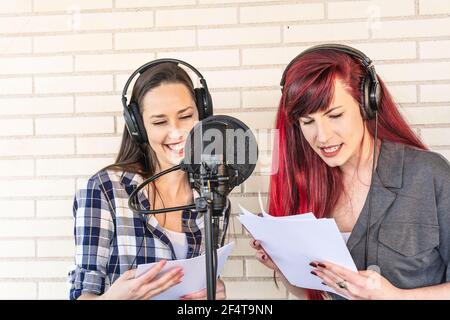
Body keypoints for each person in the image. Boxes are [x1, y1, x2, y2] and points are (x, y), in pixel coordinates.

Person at [250, 44, 450, 300]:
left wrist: (397, 297)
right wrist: (285, 266)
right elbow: (316, 291)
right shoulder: (308, 183)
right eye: (308, 122)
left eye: (335, 115)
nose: (322, 137)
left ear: (367, 104)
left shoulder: (429, 175)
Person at [68, 60, 225, 300]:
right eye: (160, 122)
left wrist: (214, 294)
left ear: (202, 114)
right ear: (138, 127)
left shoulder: (210, 190)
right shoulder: (105, 190)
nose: (177, 131)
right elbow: (82, 295)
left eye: (185, 116)